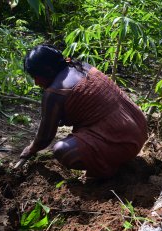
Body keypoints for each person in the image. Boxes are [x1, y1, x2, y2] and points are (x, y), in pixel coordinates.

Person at [20, 44, 148, 178]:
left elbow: (45, 137)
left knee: (62, 150)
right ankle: (115, 157)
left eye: (36, 76)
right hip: (139, 127)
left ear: (48, 70)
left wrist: (31, 149)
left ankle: (109, 173)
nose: (36, 82)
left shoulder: (55, 93)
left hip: (123, 143)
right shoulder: (81, 66)